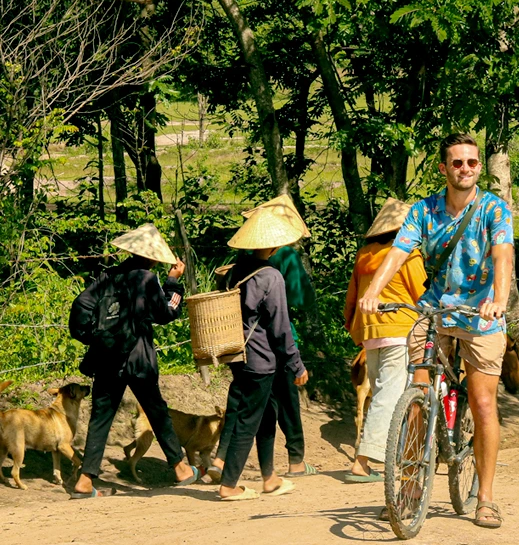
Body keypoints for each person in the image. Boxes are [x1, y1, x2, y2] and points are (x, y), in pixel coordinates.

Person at [358, 133, 514, 528]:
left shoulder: (494, 209)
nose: (465, 169)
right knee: (417, 398)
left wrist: (497, 298)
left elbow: (502, 256)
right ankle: (409, 486)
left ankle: (487, 498)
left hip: (480, 314)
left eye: (472, 163)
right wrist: (373, 291)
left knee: (481, 404)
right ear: (443, 169)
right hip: (434, 311)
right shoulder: (424, 211)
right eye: (457, 163)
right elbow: (397, 252)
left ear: (479, 167)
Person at [69, 224, 199, 498]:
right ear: (153, 256)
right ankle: (180, 469)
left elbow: (81, 305)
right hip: (138, 358)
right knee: (156, 411)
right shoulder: (147, 279)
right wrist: (173, 282)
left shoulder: (108, 276)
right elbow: (166, 313)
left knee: (100, 418)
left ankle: (84, 481)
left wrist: (92, 337)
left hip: (107, 358)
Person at [206, 195, 318, 483]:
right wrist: (296, 363)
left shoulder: (237, 266)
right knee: (277, 406)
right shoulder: (278, 269)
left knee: (249, 407)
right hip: (269, 352)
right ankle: (291, 461)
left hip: (237, 348)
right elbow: (292, 309)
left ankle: (239, 465)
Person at [343, 198, 427, 483]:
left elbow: (352, 298)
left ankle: (389, 455)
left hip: (370, 332)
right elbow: (422, 296)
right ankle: (363, 461)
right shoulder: (408, 256)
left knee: (382, 394)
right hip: (400, 331)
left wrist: (354, 327)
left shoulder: (364, 255)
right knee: (388, 397)